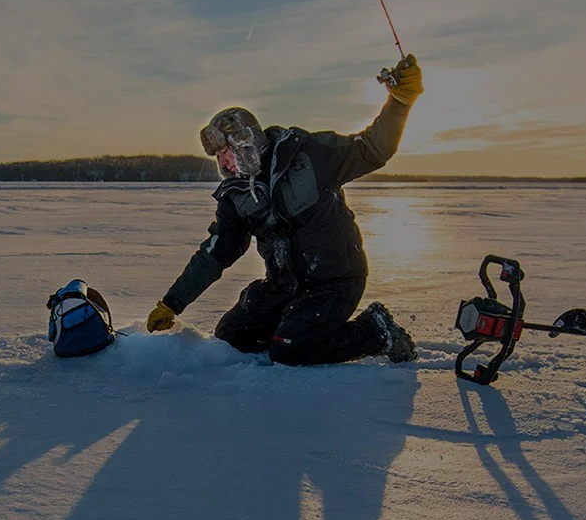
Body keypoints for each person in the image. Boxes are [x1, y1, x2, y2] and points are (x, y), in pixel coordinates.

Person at [144, 54, 424, 365]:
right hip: (285, 286)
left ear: (244, 141)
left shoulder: (309, 155)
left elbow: (372, 148)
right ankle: (293, 324)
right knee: (233, 336)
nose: (222, 163)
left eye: (224, 152)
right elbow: (216, 251)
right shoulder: (236, 195)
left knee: (290, 349)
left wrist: (400, 101)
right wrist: (172, 303)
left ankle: (376, 330)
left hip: (335, 281)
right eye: (218, 157)